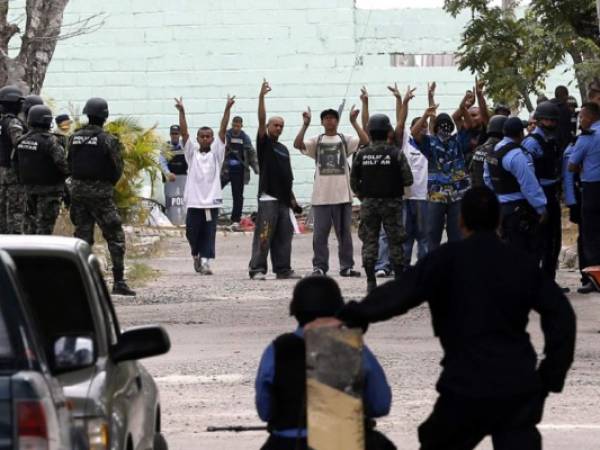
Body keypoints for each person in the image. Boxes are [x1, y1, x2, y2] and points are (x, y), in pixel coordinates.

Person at [335, 186, 576, 450]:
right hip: (515, 384)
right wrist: (549, 377)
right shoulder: (519, 262)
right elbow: (562, 316)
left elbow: (398, 294)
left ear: (461, 222)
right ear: (498, 221)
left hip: (465, 384)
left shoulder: (445, 260)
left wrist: (354, 314)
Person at [255, 276, 394, 450]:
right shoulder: (352, 347)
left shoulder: (276, 349)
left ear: (296, 312)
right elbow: (380, 405)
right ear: (338, 311)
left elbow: (265, 411)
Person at [67, 97, 135, 296]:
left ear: (87, 114)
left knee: (82, 238)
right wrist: (105, 184)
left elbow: (69, 163)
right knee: (115, 236)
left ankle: (82, 283)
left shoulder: (74, 137)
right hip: (101, 195)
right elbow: (117, 168)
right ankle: (119, 281)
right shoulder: (108, 140)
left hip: (78, 193)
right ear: (105, 116)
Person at [293, 104, 368, 277]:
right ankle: (319, 267)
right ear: (322, 122)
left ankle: (346, 266)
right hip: (321, 198)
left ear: (337, 121)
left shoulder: (344, 139)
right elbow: (297, 144)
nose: (330, 120)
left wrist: (354, 122)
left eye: (333, 117)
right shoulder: (316, 141)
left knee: (345, 235)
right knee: (320, 236)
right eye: (326, 118)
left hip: (343, 196)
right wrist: (305, 124)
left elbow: (365, 141)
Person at [350, 113, 413, 293]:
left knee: (370, 241)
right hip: (392, 203)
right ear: (388, 131)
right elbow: (408, 180)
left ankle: (371, 281)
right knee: (395, 241)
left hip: (369, 204)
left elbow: (354, 182)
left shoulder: (361, 154)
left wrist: (364, 196)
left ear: (369, 131)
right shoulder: (396, 153)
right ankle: (399, 282)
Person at [174, 95, 233, 275]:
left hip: (211, 202)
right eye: (203, 136)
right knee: (192, 233)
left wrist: (227, 108)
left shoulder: (217, 153)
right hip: (193, 201)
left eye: (209, 137)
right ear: (198, 138)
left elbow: (223, 131)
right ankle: (196, 255)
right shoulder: (191, 154)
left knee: (209, 233)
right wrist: (182, 112)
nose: (206, 139)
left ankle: (206, 261)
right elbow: (184, 133)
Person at [249, 80, 301, 280]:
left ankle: (283, 269)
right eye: (275, 125)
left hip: (284, 201)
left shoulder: (284, 149)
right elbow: (261, 119)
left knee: (284, 237)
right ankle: (257, 269)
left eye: (281, 126)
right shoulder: (265, 144)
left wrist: (293, 200)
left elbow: (287, 178)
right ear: (269, 127)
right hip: (268, 198)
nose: (278, 128)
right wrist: (261, 97)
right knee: (264, 235)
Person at [412, 101, 470, 251]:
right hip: (436, 195)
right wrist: (425, 115)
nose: (445, 128)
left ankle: (455, 266)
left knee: (457, 235)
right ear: (436, 127)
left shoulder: (457, 141)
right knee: (432, 234)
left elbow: (466, 125)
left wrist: (464, 105)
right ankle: (434, 266)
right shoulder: (429, 142)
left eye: (448, 125)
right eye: (442, 125)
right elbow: (414, 132)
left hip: (457, 194)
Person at [484, 118, 547, 256]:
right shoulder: (517, 155)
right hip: (518, 211)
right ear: (520, 133)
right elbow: (528, 184)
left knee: (507, 255)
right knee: (525, 254)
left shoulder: (492, 152)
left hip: (500, 209)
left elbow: (487, 179)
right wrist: (541, 208)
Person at [522, 101, 563, 284]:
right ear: (538, 121)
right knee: (537, 241)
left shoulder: (552, 141)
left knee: (553, 240)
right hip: (537, 195)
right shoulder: (531, 143)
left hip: (552, 193)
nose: (551, 124)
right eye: (547, 120)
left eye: (553, 121)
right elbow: (527, 175)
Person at [15, 105, 68, 235]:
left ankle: (27, 254)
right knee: (44, 229)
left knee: (29, 228)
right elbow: (64, 166)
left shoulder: (21, 140)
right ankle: (41, 255)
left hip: (28, 191)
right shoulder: (51, 141)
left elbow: (14, 163)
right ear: (47, 121)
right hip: (49, 193)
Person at [568, 102, 600, 290]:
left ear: (590, 117)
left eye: (582, 117)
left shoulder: (587, 138)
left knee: (591, 234)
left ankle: (594, 280)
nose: (581, 121)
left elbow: (572, 165)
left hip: (592, 189)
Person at [563, 136, 593, 293]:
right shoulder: (574, 147)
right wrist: (571, 201)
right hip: (581, 196)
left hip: (590, 194)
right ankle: (587, 277)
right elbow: (568, 177)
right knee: (586, 238)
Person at [222, 116, 258, 230]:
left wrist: (256, 168)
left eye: (238, 126)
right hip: (225, 169)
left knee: (237, 196)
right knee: (214, 190)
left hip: (239, 171)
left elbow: (251, 153)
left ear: (241, 126)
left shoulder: (245, 138)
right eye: (234, 125)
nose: (235, 128)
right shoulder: (226, 135)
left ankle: (235, 220)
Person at [0, 85, 26, 234]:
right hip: (12, 174)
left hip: (2, 174)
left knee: (2, 213)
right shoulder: (13, 123)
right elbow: (19, 144)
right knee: (16, 212)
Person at [470, 115, 507, 187]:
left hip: (478, 190)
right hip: (494, 191)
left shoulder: (479, 149)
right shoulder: (499, 149)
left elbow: (472, 171)